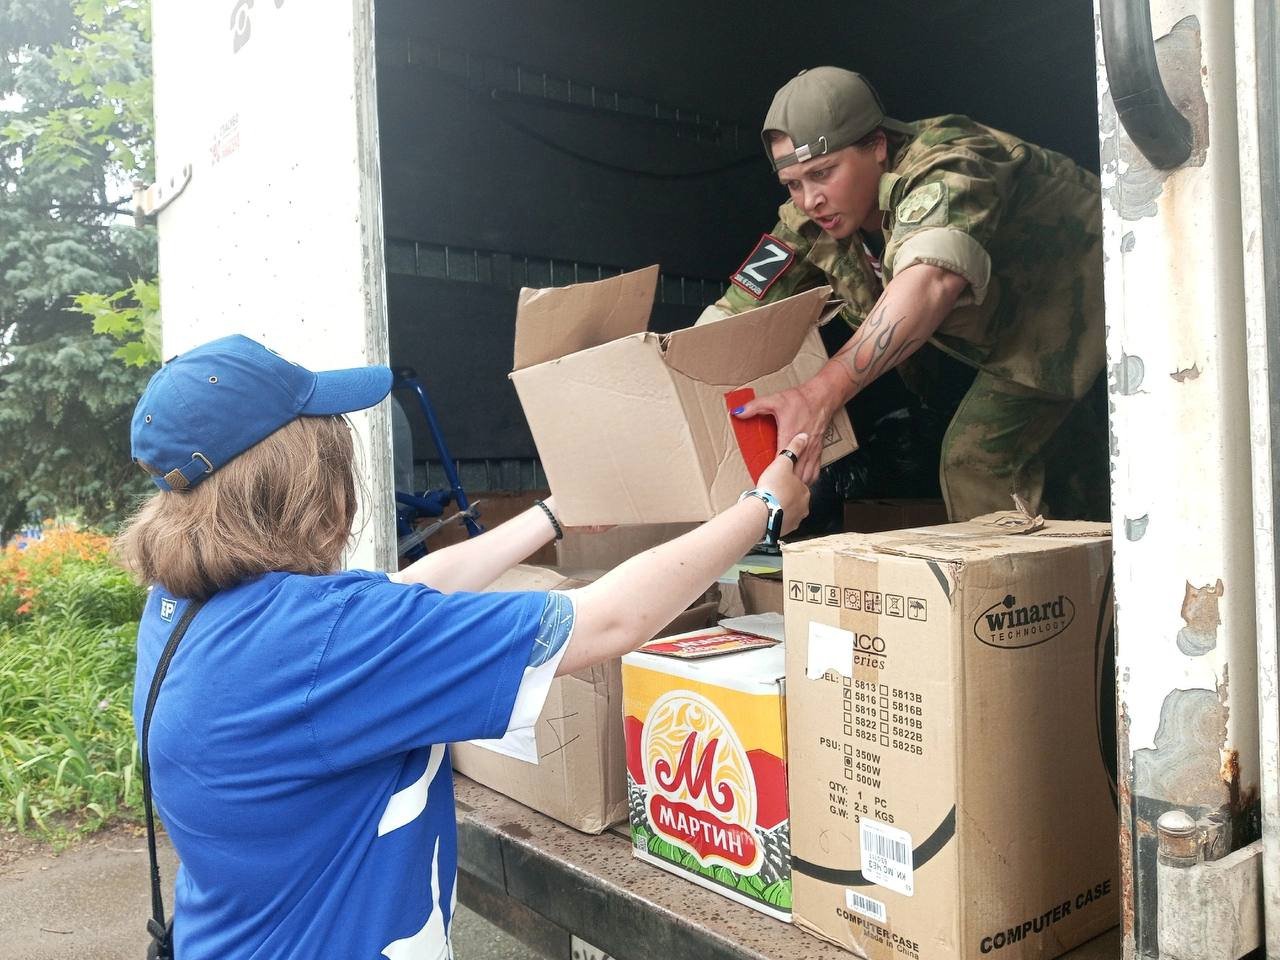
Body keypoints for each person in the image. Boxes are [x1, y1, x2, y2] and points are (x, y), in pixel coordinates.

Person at [115, 333, 808, 960]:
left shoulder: (185, 608)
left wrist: (554, 513)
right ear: (299, 474)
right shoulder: (331, 640)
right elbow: (607, 622)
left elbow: (410, 587)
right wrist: (763, 506)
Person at [704, 66, 1108, 521]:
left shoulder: (951, 160)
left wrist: (820, 395)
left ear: (877, 146)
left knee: (975, 460)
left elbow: (931, 281)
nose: (809, 200)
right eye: (793, 184)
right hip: (986, 338)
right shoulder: (810, 216)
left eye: (823, 172)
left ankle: (1003, 595)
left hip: (1060, 311)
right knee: (1074, 468)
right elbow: (730, 315)